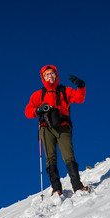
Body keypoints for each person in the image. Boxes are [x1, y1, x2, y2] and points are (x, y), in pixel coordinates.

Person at [25, 65, 88, 196]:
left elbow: (79, 98)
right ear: (43, 78)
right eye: (47, 74)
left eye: (52, 73)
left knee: (68, 155)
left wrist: (81, 86)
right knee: (50, 158)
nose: (50, 76)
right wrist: (38, 110)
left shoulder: (65, 91)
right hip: (45, 129)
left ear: (56, 75)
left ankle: (77, 185)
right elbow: (28, 111)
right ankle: (56, 188)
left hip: (63, 126)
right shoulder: (38, 95)